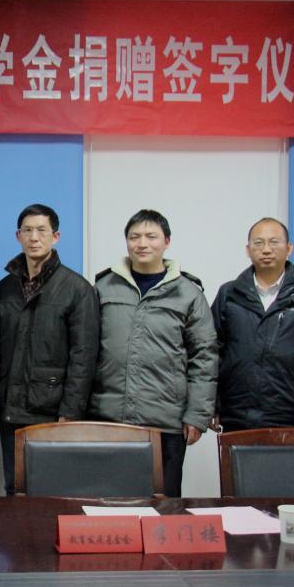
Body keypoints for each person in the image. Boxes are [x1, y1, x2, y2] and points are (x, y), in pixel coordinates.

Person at [90, 209, 218, 497]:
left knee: (163, 504)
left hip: (166, 421)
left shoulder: (188, 293)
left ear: (166, 242)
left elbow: (204, 357)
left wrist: (197, 415)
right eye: (135, 237)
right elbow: (86, 351)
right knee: (107, 502)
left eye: (151, 236)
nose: (142, 243)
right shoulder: (103, 287)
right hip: (108, 418)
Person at [0, 204, 99, 495]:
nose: (34, 237)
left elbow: (84, 356)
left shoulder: (77, 289)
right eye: (27, 230)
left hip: (52, 410)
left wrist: (71, 412)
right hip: (10, 409)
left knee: (53, 489)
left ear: (56, 236)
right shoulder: (4, 288)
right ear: (18, 236)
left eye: (41, 230)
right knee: (14, 486)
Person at [212, 217, 294, 432]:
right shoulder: (229, 294)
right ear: (248, 250)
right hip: (236, 413)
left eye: (274, 242)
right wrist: (212, 403)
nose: (266, 249)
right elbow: (211, 351)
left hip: (290, 414)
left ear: (289, 248)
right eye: (258, 243)